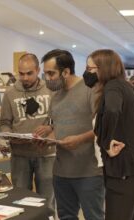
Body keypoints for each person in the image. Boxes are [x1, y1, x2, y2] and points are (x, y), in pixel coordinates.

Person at [41, 49, 104, 220]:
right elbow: (58, 128)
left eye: (51, 73)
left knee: (94, 217)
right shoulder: (55, 97)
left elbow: (102, 127)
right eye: (45, 73)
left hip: (89, 171)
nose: (47, 78)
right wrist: (47, 140)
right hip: (61, 171)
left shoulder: (90, 89)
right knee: (66, 216)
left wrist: (80, 139)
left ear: (66, 72)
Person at [88, 49, 134, 220]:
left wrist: (106, 142)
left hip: (125, 170)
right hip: (131, 168)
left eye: (91, 69)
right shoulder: (123, 86)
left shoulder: (113, 86)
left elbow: (113, 110)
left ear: (103, 68)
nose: (88, 73)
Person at [0, 53, 55, 212]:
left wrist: (50, 128)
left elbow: (61, 120)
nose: (24, 78)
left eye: (29, 73)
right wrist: (8, 135)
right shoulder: (10, 93)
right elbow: (4, 123)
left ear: (38, 70)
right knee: (20, 201)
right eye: (21, 73)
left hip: (47, 154)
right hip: (20, 155)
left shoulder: (51, 90)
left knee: (47, 201)